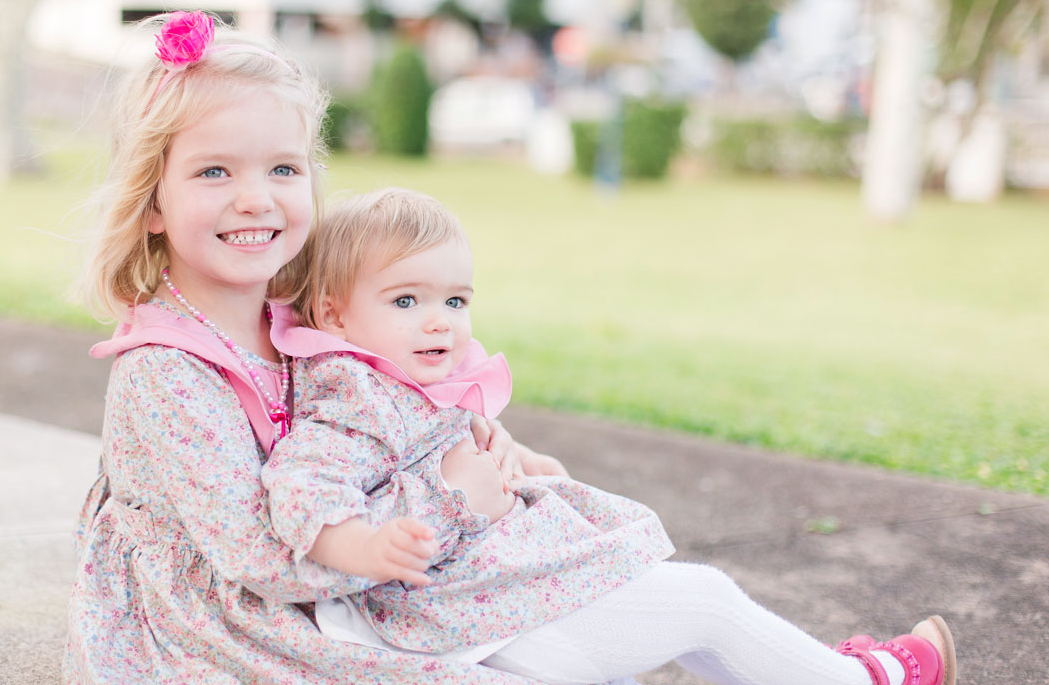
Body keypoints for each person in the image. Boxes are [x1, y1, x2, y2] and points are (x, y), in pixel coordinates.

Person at [261, 187, 958, 685]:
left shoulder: (401, 387)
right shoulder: (351, 406)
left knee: (690, 617)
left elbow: (458, 442)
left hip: (499, 609)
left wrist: (522, 460)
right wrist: (369, 544)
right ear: (335, 312)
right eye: (407, 300)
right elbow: (300, 491)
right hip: (479, 630)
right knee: (705, 603)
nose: (440, 321)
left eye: (456, 300)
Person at [66, 11, 540, 684]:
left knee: (583, 597)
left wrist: (487, 446)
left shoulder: (312, 322)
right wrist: (449, 501)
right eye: (214, 173)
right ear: (152, 203)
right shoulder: (164, 370)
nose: (255, 199)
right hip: (221, 618)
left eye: (283, 168)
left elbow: (402, 409)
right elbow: (255, 556)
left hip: (352, 570)